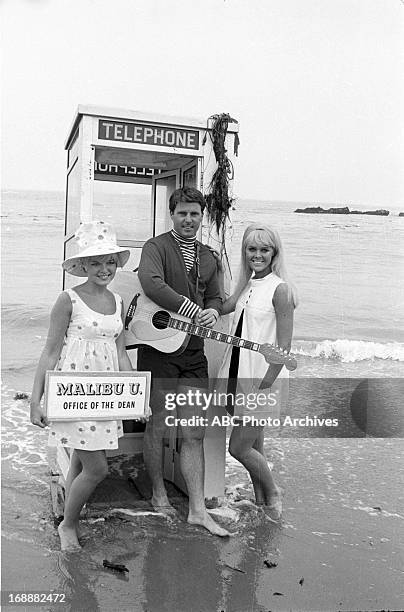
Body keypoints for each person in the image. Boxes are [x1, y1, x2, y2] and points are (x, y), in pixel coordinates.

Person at [30, 221, 133, 551]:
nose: (104, 269)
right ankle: (68, 525)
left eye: (110, 262)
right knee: (98, 467)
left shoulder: (118, 301)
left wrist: (135, 395)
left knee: (80, 460)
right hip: (74, 394)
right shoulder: (68, 299)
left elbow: (119, 351)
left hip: (104, 396)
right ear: (83, 265)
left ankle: (69, 511)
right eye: (96, 262)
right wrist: (37, 400)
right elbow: (51, 350)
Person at [137, 186, 230, 536]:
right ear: (172, 214)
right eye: (182, 213)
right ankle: (158, 494)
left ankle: (196, 509)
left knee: (194, 431)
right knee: (158, 423)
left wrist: (212, 310)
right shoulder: (155, 247)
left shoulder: (210, 256)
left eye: (194, 214)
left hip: (193, 353)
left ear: (201, 216)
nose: (189, 219)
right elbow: (151, 283)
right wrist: (189, 307)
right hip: (158, 350)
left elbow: (218, 297)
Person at [217, 223, 297, 521]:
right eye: (252, 249)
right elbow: (223, 307)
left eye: (264, 249)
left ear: (274, 253)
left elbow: (284, 348)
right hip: (239, 372)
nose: (258, 255)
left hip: (263, 379)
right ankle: (261, 499)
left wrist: (266, 385)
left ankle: (273, 491)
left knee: (238, 447)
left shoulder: (281, 289)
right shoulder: (248, 284)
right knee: (255, 444)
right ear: (245, 251)